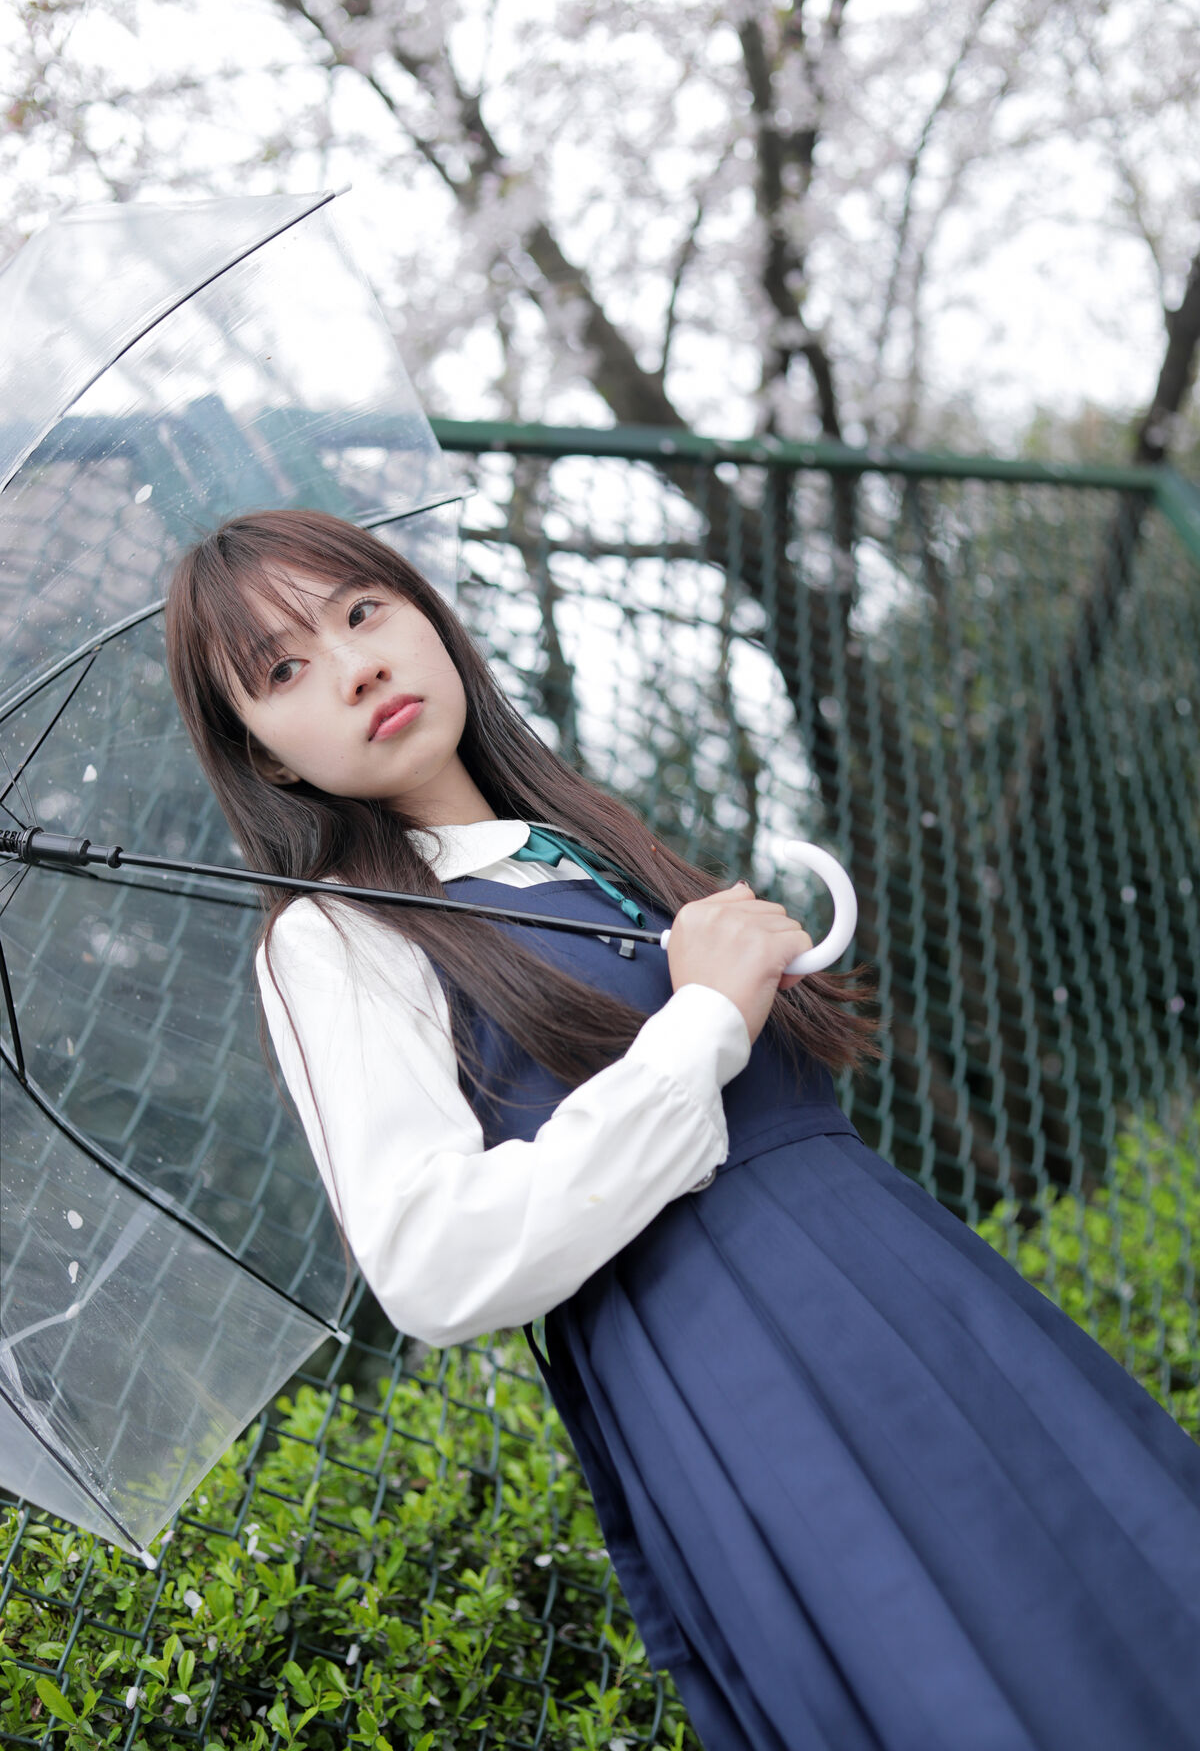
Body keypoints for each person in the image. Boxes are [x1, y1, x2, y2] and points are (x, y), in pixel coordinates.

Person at [164, 508, 1200, 1751]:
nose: (355, 667)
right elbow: (431, 1263)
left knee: (1122, 1604)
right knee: (970, 1667)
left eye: (361, 611)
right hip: (742, 1362)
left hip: (909, 1291)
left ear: (425, 615)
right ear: (268, 758)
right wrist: (700, 1022)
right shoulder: (337, 937)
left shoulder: (582, 846)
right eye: (283, 669)